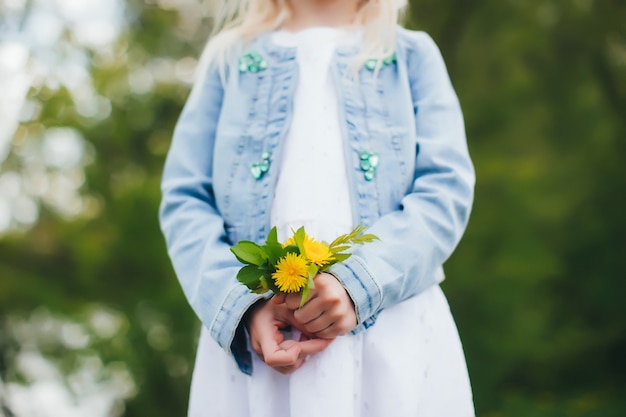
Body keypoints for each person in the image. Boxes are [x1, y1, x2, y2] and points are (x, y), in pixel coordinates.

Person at [159, 0, 476, 414]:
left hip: (394, 333)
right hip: (258, 348)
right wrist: (243, 306)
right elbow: (186, 200)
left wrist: (358, 285)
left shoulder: (411, 55)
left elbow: (445, 190)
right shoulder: (230, 61)